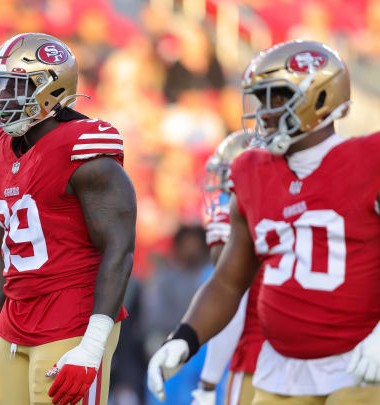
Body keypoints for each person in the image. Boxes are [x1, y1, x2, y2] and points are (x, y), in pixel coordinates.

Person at [148, 40, 380, 404]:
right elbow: (228, 282)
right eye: (261, 98)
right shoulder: (251, 171)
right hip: (278, 370)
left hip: (358, 365)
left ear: (319, 99)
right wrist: (184, 338)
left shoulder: (369, 159)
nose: (265, 112)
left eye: (277, 97)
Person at [0, 33, 137, 405]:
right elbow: (5, 253)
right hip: (12, 326)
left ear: (50, 91)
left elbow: (119, 251)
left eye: (14, 88)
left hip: (70, 322)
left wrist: (93, 345)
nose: (1, 99)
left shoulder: (83, 147)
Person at [192, 130, 263, 405]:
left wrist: (208, 382)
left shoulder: (234, 219)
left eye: (226, 178)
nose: (219, 188)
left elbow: (234, 299)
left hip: (255, 360)